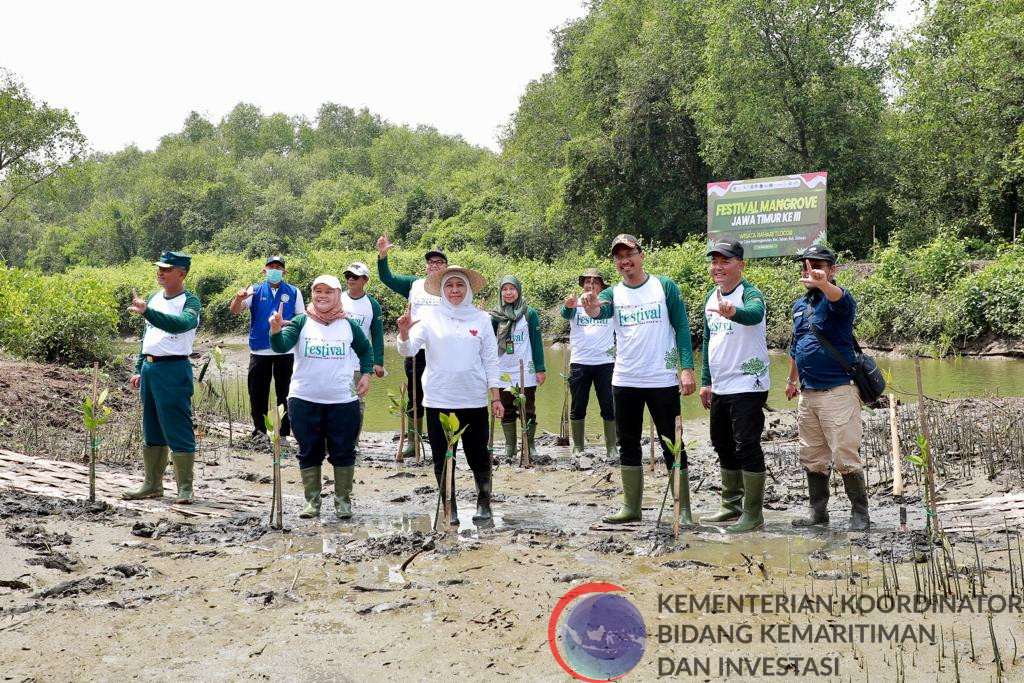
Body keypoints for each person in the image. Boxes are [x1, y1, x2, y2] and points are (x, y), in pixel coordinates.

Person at [581, 234, 697, 525]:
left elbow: (682, 328)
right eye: (619, 257)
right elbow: (598, 312)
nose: (624, 261)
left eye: (629, 254)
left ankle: (683, 510)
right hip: (625, 379)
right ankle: (631, 507)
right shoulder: (613, 294)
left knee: (672, 442)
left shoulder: (664, 286)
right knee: (627, 443)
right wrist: (590, 305)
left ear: (641, 255)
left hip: (661, 379)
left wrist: (686, 368)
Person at [396, 265, 503, 525]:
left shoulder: (482, 320)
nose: (455, 291)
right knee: (444, 456)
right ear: (442, 291)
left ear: (467, 290)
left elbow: (490, 360)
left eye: (460, 285)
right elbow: (409, 350)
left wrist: (496, 397)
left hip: (474, 399)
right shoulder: (430, 318)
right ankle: (449, 505)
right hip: (438, 399)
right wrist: (403, 332)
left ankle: (483, 502)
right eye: (449, 286)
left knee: (478, 454)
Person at [269, 275, 373, 520]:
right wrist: (275, 329)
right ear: (312, 294)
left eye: (328, 292)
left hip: (343, 401)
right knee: (309, 451)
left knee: (344, 451)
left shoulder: (348, 325)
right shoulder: (300, 322)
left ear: (338, 295)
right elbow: (281, 346)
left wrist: (366, 374)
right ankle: (312, 503)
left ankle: (342, 502)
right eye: (318, 291)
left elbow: (365, 350)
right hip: (304, 399)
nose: (322, 296)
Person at [786, 244, 870, 531]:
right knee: (811, 455)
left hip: (838, 391)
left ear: (832, 270)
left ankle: (860, 514)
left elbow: (840, 299)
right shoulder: (800, 306)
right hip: (807, 394)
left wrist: (825, 285)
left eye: (818, 265)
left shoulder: (839, 301)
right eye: (806, 266)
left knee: (845, 454)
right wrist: (791, 380)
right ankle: (818, 514)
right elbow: (796, 346)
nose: (810, 270)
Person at [699, 240, 770, 533]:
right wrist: (706, 381)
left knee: (746, 445)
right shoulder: (710, 297)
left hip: (748, 383)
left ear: (740, 264)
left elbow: (753, 313)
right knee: (722, 443)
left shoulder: (750, 293)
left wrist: (733, 313)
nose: (718, 267)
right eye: (714, 262)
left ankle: (753, 514)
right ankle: (731, 506)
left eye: (725, 261)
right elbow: (707, 340)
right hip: (721, 384)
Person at [123, 251, 201, 504]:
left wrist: (148, 313)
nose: (161, 272)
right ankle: (152, 483)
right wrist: (138, 367)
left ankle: (185, 488)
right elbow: (147, 338)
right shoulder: (154, 298)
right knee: (152, 426)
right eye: (159, 268)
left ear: (182, 273)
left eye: (167, 269)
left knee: (177, 426)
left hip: (174, 369)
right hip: (150, 368)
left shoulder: (190, 302)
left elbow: (181, 324)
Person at [377, 236, 448, 458]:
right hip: (416, 349)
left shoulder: (452, 286)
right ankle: (413, 442)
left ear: (446, 267)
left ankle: (442, 441)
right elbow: (386, 277)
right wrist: (383, 255)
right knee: (415, 395)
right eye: (431, 262)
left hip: (444, 351)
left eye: (439, 262)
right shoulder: (414, 284)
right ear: (426, 266)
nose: (434, 265)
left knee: (441, 394)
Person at [229, 256, 304, 441]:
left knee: (285, 394)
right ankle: (260, 432)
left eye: (279, 267)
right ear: (264, 270)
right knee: (257, 393)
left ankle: (284, 434)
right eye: (271, 266)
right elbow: (234, 310)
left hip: (285, 350)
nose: (275, 270)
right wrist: (238, 299)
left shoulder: (294, 291)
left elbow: (302, 319)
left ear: (284, 271)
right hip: (259, 350)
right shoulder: (254, 290)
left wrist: (289, 323)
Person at [561, 268, 617, 458]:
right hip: (579, 362)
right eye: (587, 282)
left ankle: (611, 447)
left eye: (595, 282)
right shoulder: (575, 303)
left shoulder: (609, 304)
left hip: (606, 362)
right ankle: (578, 446)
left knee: (609, 405)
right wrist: (568, 306)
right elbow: (565, 313)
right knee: (578, 405)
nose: (590, 285)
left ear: (601, 286)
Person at [490, 276, 546, 460]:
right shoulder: (494, 317)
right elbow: (488, 345)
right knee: (506, 409)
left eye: (511, 289)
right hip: (503, 369)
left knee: (528, 409)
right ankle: (510, 447)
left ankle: (529, 446)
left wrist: (540, 369)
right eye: (504, 289)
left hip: (525, 369)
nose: (508, 293)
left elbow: (537, 343)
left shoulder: (529, 314)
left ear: (518, 291)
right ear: (500, 292)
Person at [341, 262, 386, 453]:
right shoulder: (338, 298)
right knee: (334, 400)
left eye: (355, 276)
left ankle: (354, 442)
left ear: (365, 280)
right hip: (337, 360)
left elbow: (377, 335)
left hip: (359, 363)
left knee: (357, 403)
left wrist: (378, 362)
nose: (350, 279)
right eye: (348, 275)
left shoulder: (372, 305)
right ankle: (332, 440)